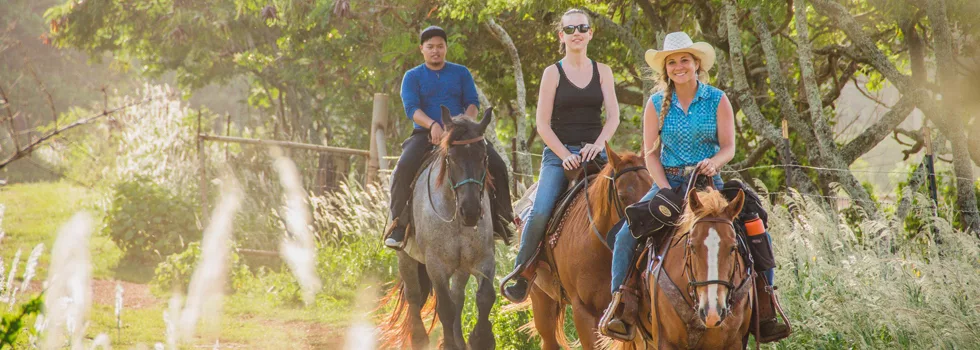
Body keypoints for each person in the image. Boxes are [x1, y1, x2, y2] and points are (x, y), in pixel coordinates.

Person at [600, 31, 788, 341]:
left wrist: (715, 163)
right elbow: (650, 154)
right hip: (669, 182)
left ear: (696, 63)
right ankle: (622, 306)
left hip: (709, 183)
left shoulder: (717, 98)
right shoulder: (656, 103)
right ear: (666, 68)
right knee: (624, 235)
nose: (678, 66)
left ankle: (767, 304)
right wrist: (662, 188)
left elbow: (728, 146)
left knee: (754, 226)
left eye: (684, 60)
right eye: (672, 62)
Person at [501, 9, 621, 303]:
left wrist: (598, 144)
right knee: (541, 209)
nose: (576, 33)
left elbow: (614, 118)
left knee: (629, 198)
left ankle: (638, 276)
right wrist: (565, 154)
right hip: (559, 155)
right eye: (570, 29)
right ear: (561, 36)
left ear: (590, 33)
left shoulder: (603, 71)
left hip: (596, 153)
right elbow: (542, 124)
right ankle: (523, 271)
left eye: (582, 28)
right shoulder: (552, 73)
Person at [385, 26, 514, 250]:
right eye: (430, 47)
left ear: (446, 48)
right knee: (403, 167)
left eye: (440, 46)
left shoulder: (461, 72)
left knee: (498, 165)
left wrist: (462, 125)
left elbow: (472, 102)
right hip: (426, 134)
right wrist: (433, 125)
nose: (436, 51)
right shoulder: (412, 76)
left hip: (462, 135)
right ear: (422, 50)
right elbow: (411, 108)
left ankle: (503, 219)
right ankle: (398, 224)